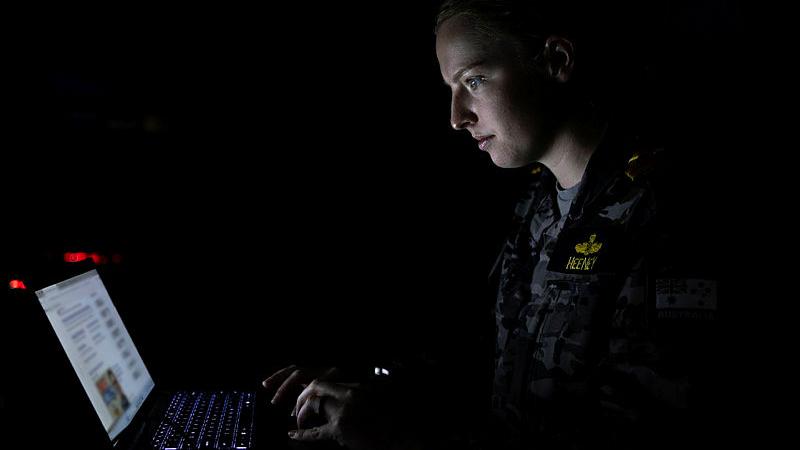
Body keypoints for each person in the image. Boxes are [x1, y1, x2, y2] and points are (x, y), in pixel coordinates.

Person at [263, 1, 717, 449]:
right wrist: (369, 385)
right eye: (452, 88)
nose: (457, 117)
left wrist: (400, 434)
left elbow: (644, 436)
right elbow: (488, 363)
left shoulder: (664, 213)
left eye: (474, 81)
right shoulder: (538, 205)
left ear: (556, 61)